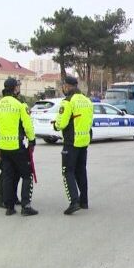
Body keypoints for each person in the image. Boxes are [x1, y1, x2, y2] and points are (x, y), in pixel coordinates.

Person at [0, 78, 38, 216]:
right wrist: (32, 141)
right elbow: (27, 125)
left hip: (2, 147)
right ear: (14, 89)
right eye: (18, 87)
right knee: (27, 175)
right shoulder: (19, 105)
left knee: (8, 176)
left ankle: (9, 207)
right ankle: (26, 206)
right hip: (17, 146)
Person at [53, 76, 94, 215]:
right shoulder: (87, 100)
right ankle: (84, 201)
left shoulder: (68, 101)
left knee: (67, 172)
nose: (63, 88)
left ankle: (74, 202)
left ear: (68, 86)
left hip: (71, 142)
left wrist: (55, 125)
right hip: (84, 141)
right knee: (81, 171)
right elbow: (90, 121)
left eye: (63, 86)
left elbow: (61, 123)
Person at [0, 88, 21, 208]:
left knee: (12, 174)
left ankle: (11, 197)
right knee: (7, 174)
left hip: (3, 144)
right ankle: (4, 199)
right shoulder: (16, 105)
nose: (18, 90)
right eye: (17, 88)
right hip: (12, 145)